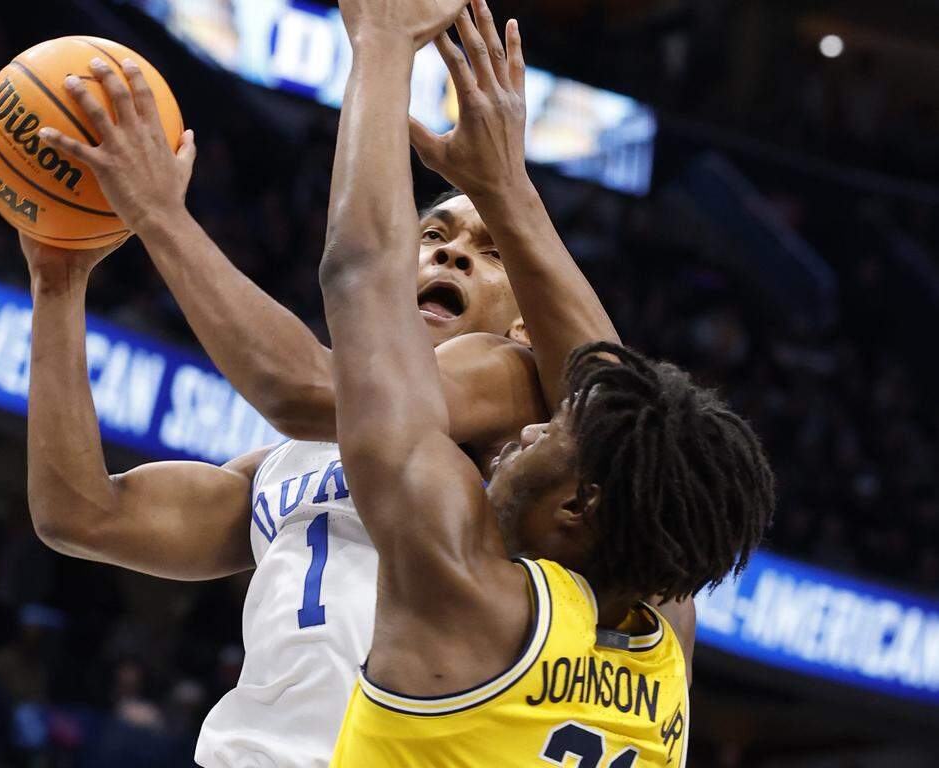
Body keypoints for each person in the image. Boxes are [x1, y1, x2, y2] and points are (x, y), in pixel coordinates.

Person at [24, 6, 672, 765]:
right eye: (433, 236)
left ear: (532, 325)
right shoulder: (283, 464)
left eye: (489, 253)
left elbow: (303, 386)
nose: (451, 257)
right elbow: (82, 514)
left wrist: (161, 215)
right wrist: (58, 285)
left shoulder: (515, 400)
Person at [317, 0, 774, 764]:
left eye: (547, 436)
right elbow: (617, 404)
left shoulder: (465, 598)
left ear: (578, 504)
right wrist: (501, 189)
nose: (530, 424)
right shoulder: (666, 635)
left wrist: (382, 42)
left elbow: (362, 276)